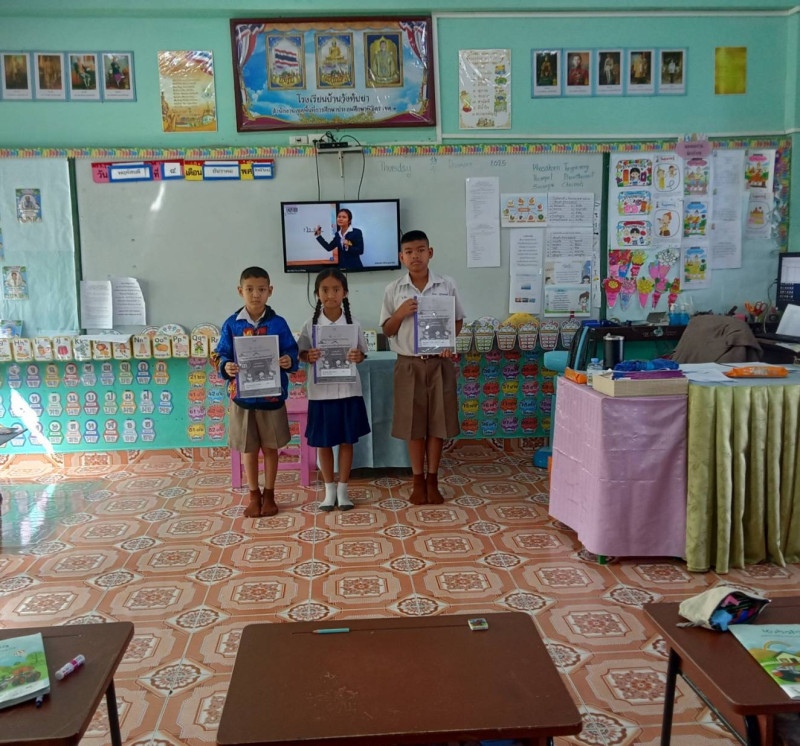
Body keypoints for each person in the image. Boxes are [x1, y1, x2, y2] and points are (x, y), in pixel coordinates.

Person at [380, 230, 464, 505]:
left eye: (420, 250)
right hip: (409, 364)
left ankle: (433, 480)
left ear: (430, 252)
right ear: (401, 257)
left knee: (438, 424)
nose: (415, 256)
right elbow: (388, 330)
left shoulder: (446, 285)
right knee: (413, 425)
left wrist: (449, 343)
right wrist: (400, 313)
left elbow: (458, 320)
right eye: (409, 252)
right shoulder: (394, 289)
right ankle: (417, 481)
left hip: (439, 363)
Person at [212, 266, 298, 518]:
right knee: (248, 449)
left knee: (271, 448)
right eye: (250, 289)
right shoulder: (232, 324)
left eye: (261, 289)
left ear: (270, 291)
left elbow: (291, 351)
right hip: (243, 399)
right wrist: (226, 366)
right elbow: (220, 354)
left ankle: (269, 494)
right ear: (240, 291)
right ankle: (253, 494)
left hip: (272, 397)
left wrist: (288, 360)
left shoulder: (278, 323)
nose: (256, 294)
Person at [298, 268, 370, 511]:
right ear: (317, 293)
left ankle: (343, 489)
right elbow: (301, 353)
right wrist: (308, 356)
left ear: (345, 293)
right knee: (324, 442)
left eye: (336, 289)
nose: (330, 295)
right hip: (321, 393)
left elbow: (362, 353)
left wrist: (358, 356)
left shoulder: (353, 323)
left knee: (348, 441)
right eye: (325, 290)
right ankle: (329, 490)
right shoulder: (310, 324)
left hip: (348, 391)